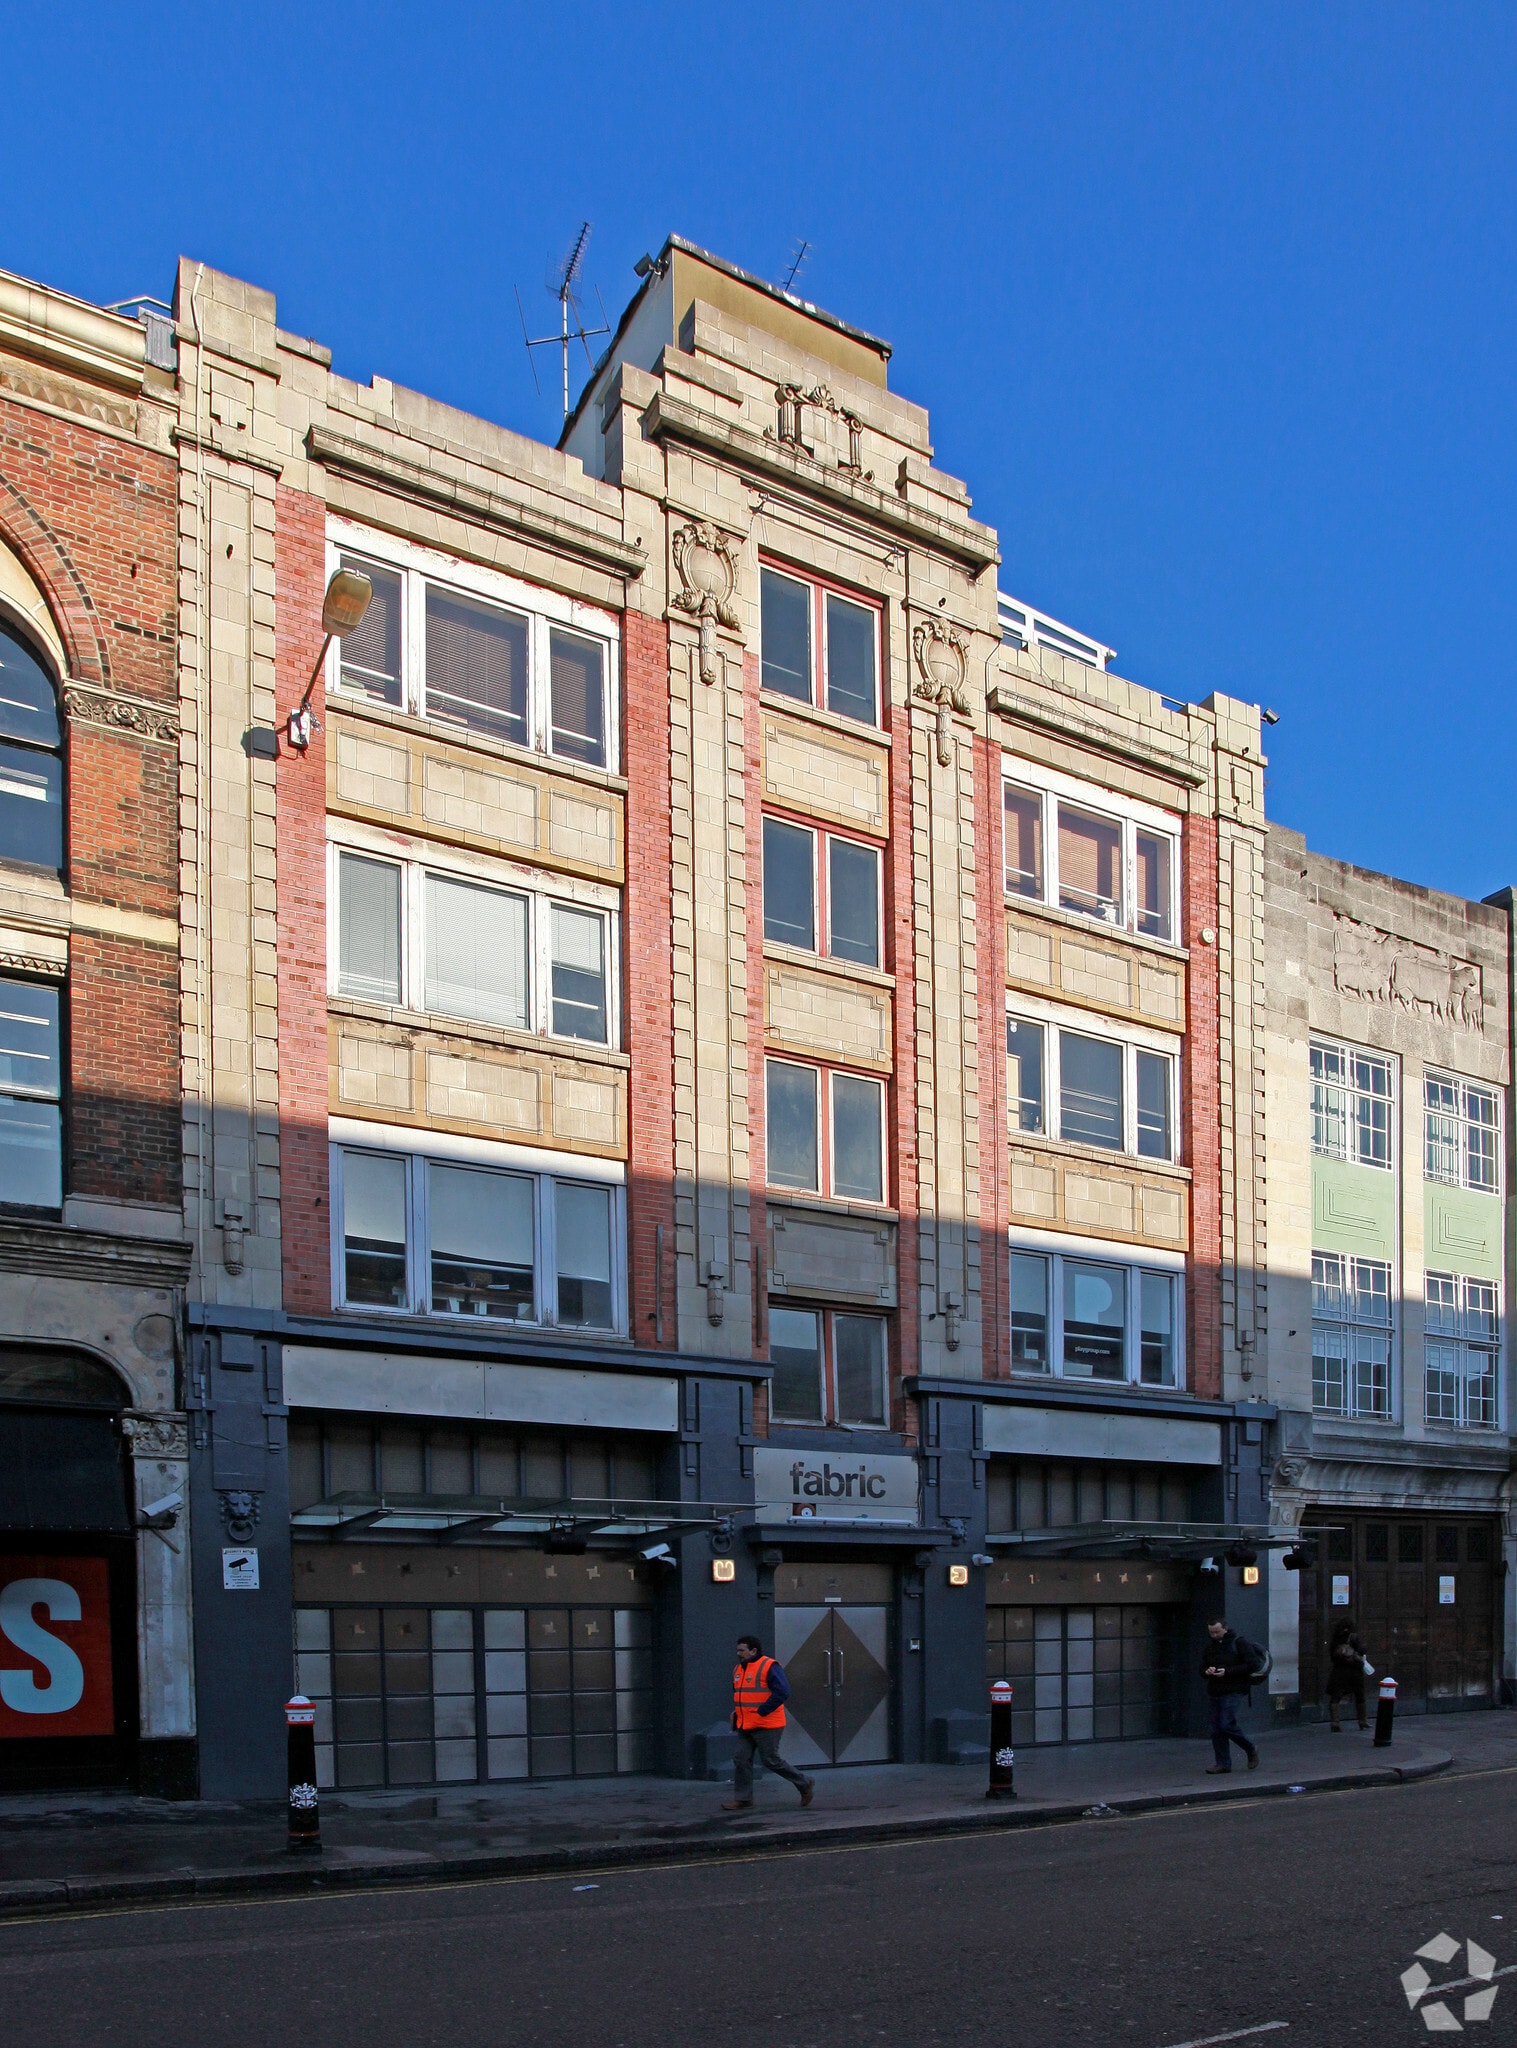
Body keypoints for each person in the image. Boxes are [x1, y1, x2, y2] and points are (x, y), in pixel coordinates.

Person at [722, 1634, 815, 1811]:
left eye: (742, 1650)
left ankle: (804, 1783)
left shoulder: (768, 1666)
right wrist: (737, 1713)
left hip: (767, 1724)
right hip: (746, 1724)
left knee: (771, 1760)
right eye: (737, 1650)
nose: (738, 1653)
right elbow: (742, 1696)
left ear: (753, 1650)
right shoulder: (738, 1669)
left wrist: (764, 1710)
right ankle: (743, 1799)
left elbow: (783, 1691)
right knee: (741, 1759)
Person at [1201, 1617, 1260, 1774]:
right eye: (1211, 1632)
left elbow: (1253, 1664)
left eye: (1217, 1632)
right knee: (1216, 1729)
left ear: (1225, 1629)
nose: (1214, 1635)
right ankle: (1223, 1763)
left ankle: (1250, 1747)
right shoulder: (1209, 1648)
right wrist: (1207, 1672)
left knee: (1226, 1724)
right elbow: (1202, 1667)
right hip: (1215, 1690)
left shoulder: (1239, 1642)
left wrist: (1228, 1672)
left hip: (1234, 1689)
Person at [1326, 1620, 1370, 1732]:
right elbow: (1362, 1650)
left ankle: (1335, 1722)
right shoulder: (1354, 1637)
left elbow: (1332, 1656)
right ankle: (1362, 1721)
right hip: (1354, 1671)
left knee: (1336, 1697)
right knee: (1359, 1696)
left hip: (1339, 1671)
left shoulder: (1335, 1640)